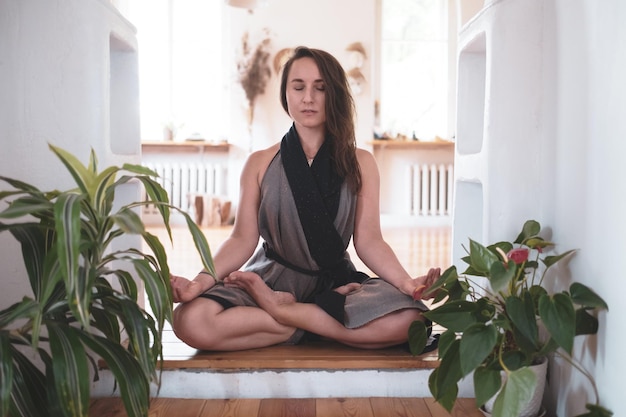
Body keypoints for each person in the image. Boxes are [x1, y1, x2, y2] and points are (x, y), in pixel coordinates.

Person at [171, 46, 441, 351]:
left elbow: (369, 241)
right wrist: (200, 282)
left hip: (336, 285)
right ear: (286, 93)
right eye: (298, 87)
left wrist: (407, 284)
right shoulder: (259, 163)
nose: (308, 98)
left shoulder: (361, 162)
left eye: (320, 88)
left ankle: (284, 312)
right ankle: (318, 324)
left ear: (334, 94)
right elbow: (241, 239)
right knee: (189, 320)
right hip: (268, 280)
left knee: (413, 321)